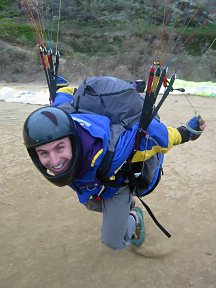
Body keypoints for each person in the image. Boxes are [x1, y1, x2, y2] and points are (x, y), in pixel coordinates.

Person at [23, 77, 206, 250]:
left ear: (72, 140)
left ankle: (134, 216)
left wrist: (187, 132)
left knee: (113, 242)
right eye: (44, 153)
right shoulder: (61, 115)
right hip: (94, 185)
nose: (54, 161)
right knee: (90, 204)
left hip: (115, 185)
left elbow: (156, 135)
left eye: (60, 148)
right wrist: (62, 86)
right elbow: (66, 94)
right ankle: (123, 208)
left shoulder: (113, 152)